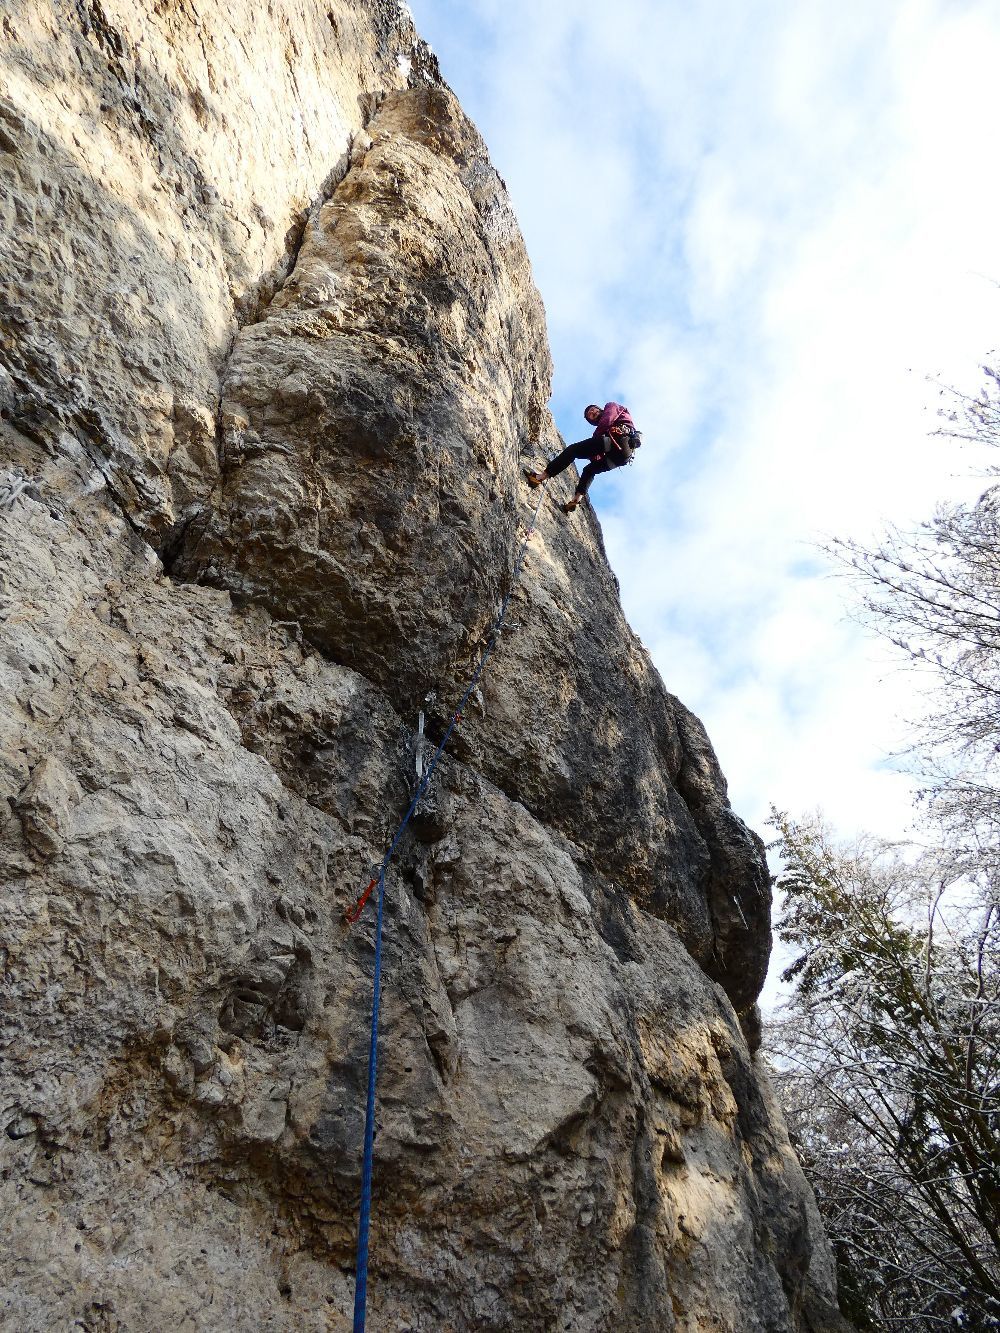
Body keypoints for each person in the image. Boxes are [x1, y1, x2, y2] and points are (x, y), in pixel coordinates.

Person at [524, 402, 640, 512]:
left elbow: (607, 420)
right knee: (589, 470)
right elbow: (595, 456)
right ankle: (576, 500)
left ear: (599, 408)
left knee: (573, 450)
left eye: (592, 409)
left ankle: (540, 477)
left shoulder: (611, 406)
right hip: (621, 458)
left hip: (619, 440)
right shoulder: (603, 430)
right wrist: (593, 454)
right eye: (589, 414)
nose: (592, 412)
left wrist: (594, 441)